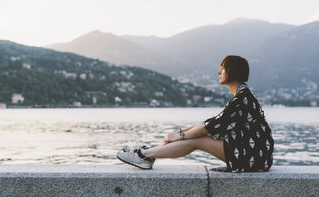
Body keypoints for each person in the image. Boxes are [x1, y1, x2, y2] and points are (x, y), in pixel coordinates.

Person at [117, 55, 274, 172]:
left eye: (223, 68)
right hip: (253, 154)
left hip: (255, 157)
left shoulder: (242, 99)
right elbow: (213, 123)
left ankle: (143, 155)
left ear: (231, 71)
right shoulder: (243, 96)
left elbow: (210, 127)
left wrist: (179, 136)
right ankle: (146, 154)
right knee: (199, 136)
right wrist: (180, 132)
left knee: (197, 141)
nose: (219, 72)